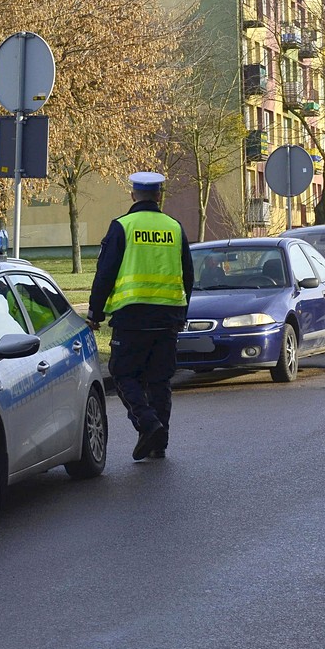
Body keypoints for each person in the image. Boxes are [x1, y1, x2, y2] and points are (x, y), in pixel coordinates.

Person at [86, 172, 194, 461]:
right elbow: (188, 275)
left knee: (123, 374)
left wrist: (95, 313)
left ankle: (148, 424)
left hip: (132, 317)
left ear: (133, 195)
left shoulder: (122, 226)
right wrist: (181, 313)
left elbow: (105, 273)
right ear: (159, 196)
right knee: (159, 381)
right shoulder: (174, 227)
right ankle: (159, 442)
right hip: (167, 317)